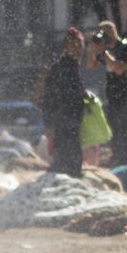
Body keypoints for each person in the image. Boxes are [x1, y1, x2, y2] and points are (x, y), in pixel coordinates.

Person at [87, 21, 127, 167]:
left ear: (113, 31)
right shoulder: (105, 50)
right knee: (114, 130)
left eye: (106, 33)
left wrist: (104, 53)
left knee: (125, 130)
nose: (104, 37)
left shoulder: (125, 48)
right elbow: (91, 65)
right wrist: (93, 49)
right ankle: (117, 158)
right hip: (113, 97)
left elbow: (119, 69)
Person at [40, 27, 88, 177]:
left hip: (72, 121)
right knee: (66, 161)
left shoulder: (73, 66)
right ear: (67, 46)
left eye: (81, 45)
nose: (79, 49)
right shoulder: (60, 67)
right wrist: (48, 124)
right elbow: (49, 98)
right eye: (75, 45)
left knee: (72, 160)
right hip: (63, 121)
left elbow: (75, 92)